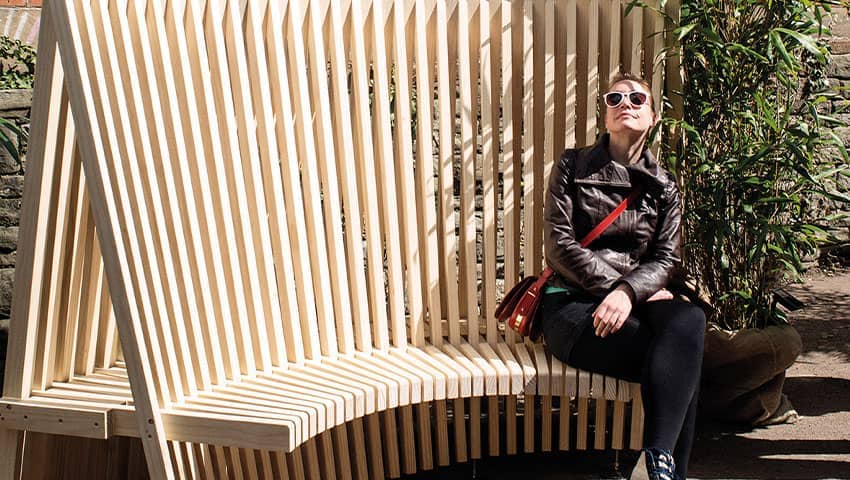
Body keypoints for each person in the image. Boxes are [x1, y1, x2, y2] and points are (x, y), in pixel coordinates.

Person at [540, 72, 706, 480]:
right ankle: (663, 469)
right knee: (682, 354)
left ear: (653, 117)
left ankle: (655, 460)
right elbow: (559, 246)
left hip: (634, 299)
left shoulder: (664, 186)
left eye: (636, 99)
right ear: (605, 115)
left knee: (690, 321)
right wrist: (618, 289)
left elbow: (667, 259)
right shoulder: (572, 165)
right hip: (573, 306)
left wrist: (629, 292)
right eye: (614, 98)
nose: (625, 104)